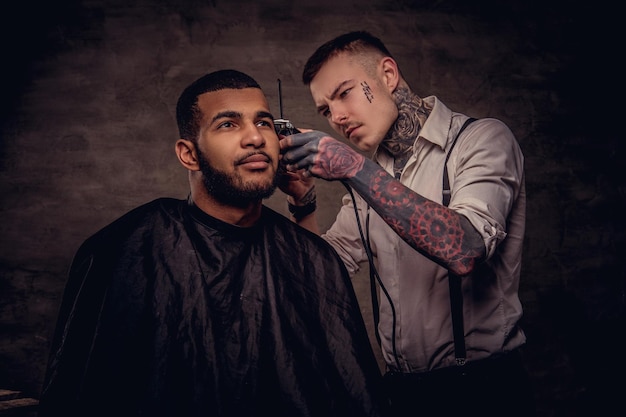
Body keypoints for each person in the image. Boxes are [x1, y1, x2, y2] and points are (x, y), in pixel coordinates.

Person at [38, 69, 390, 417]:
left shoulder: (311, 256)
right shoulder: (126, 249)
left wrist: (305, 204)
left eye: (264, 123)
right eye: (228, 124)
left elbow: (349, 393)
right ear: (189, 154)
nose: (255, 138)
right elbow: (86, 392)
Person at [279, 31, 535, 416]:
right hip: (401, 393)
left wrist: (353, 167)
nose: (337, 117)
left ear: (387, 74)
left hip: (483, 390)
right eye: (325, 110)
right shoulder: (371, 176)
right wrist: (304, 202)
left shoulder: (481, 140)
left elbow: (465, 249)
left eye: (344, 93)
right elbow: (319, 276)